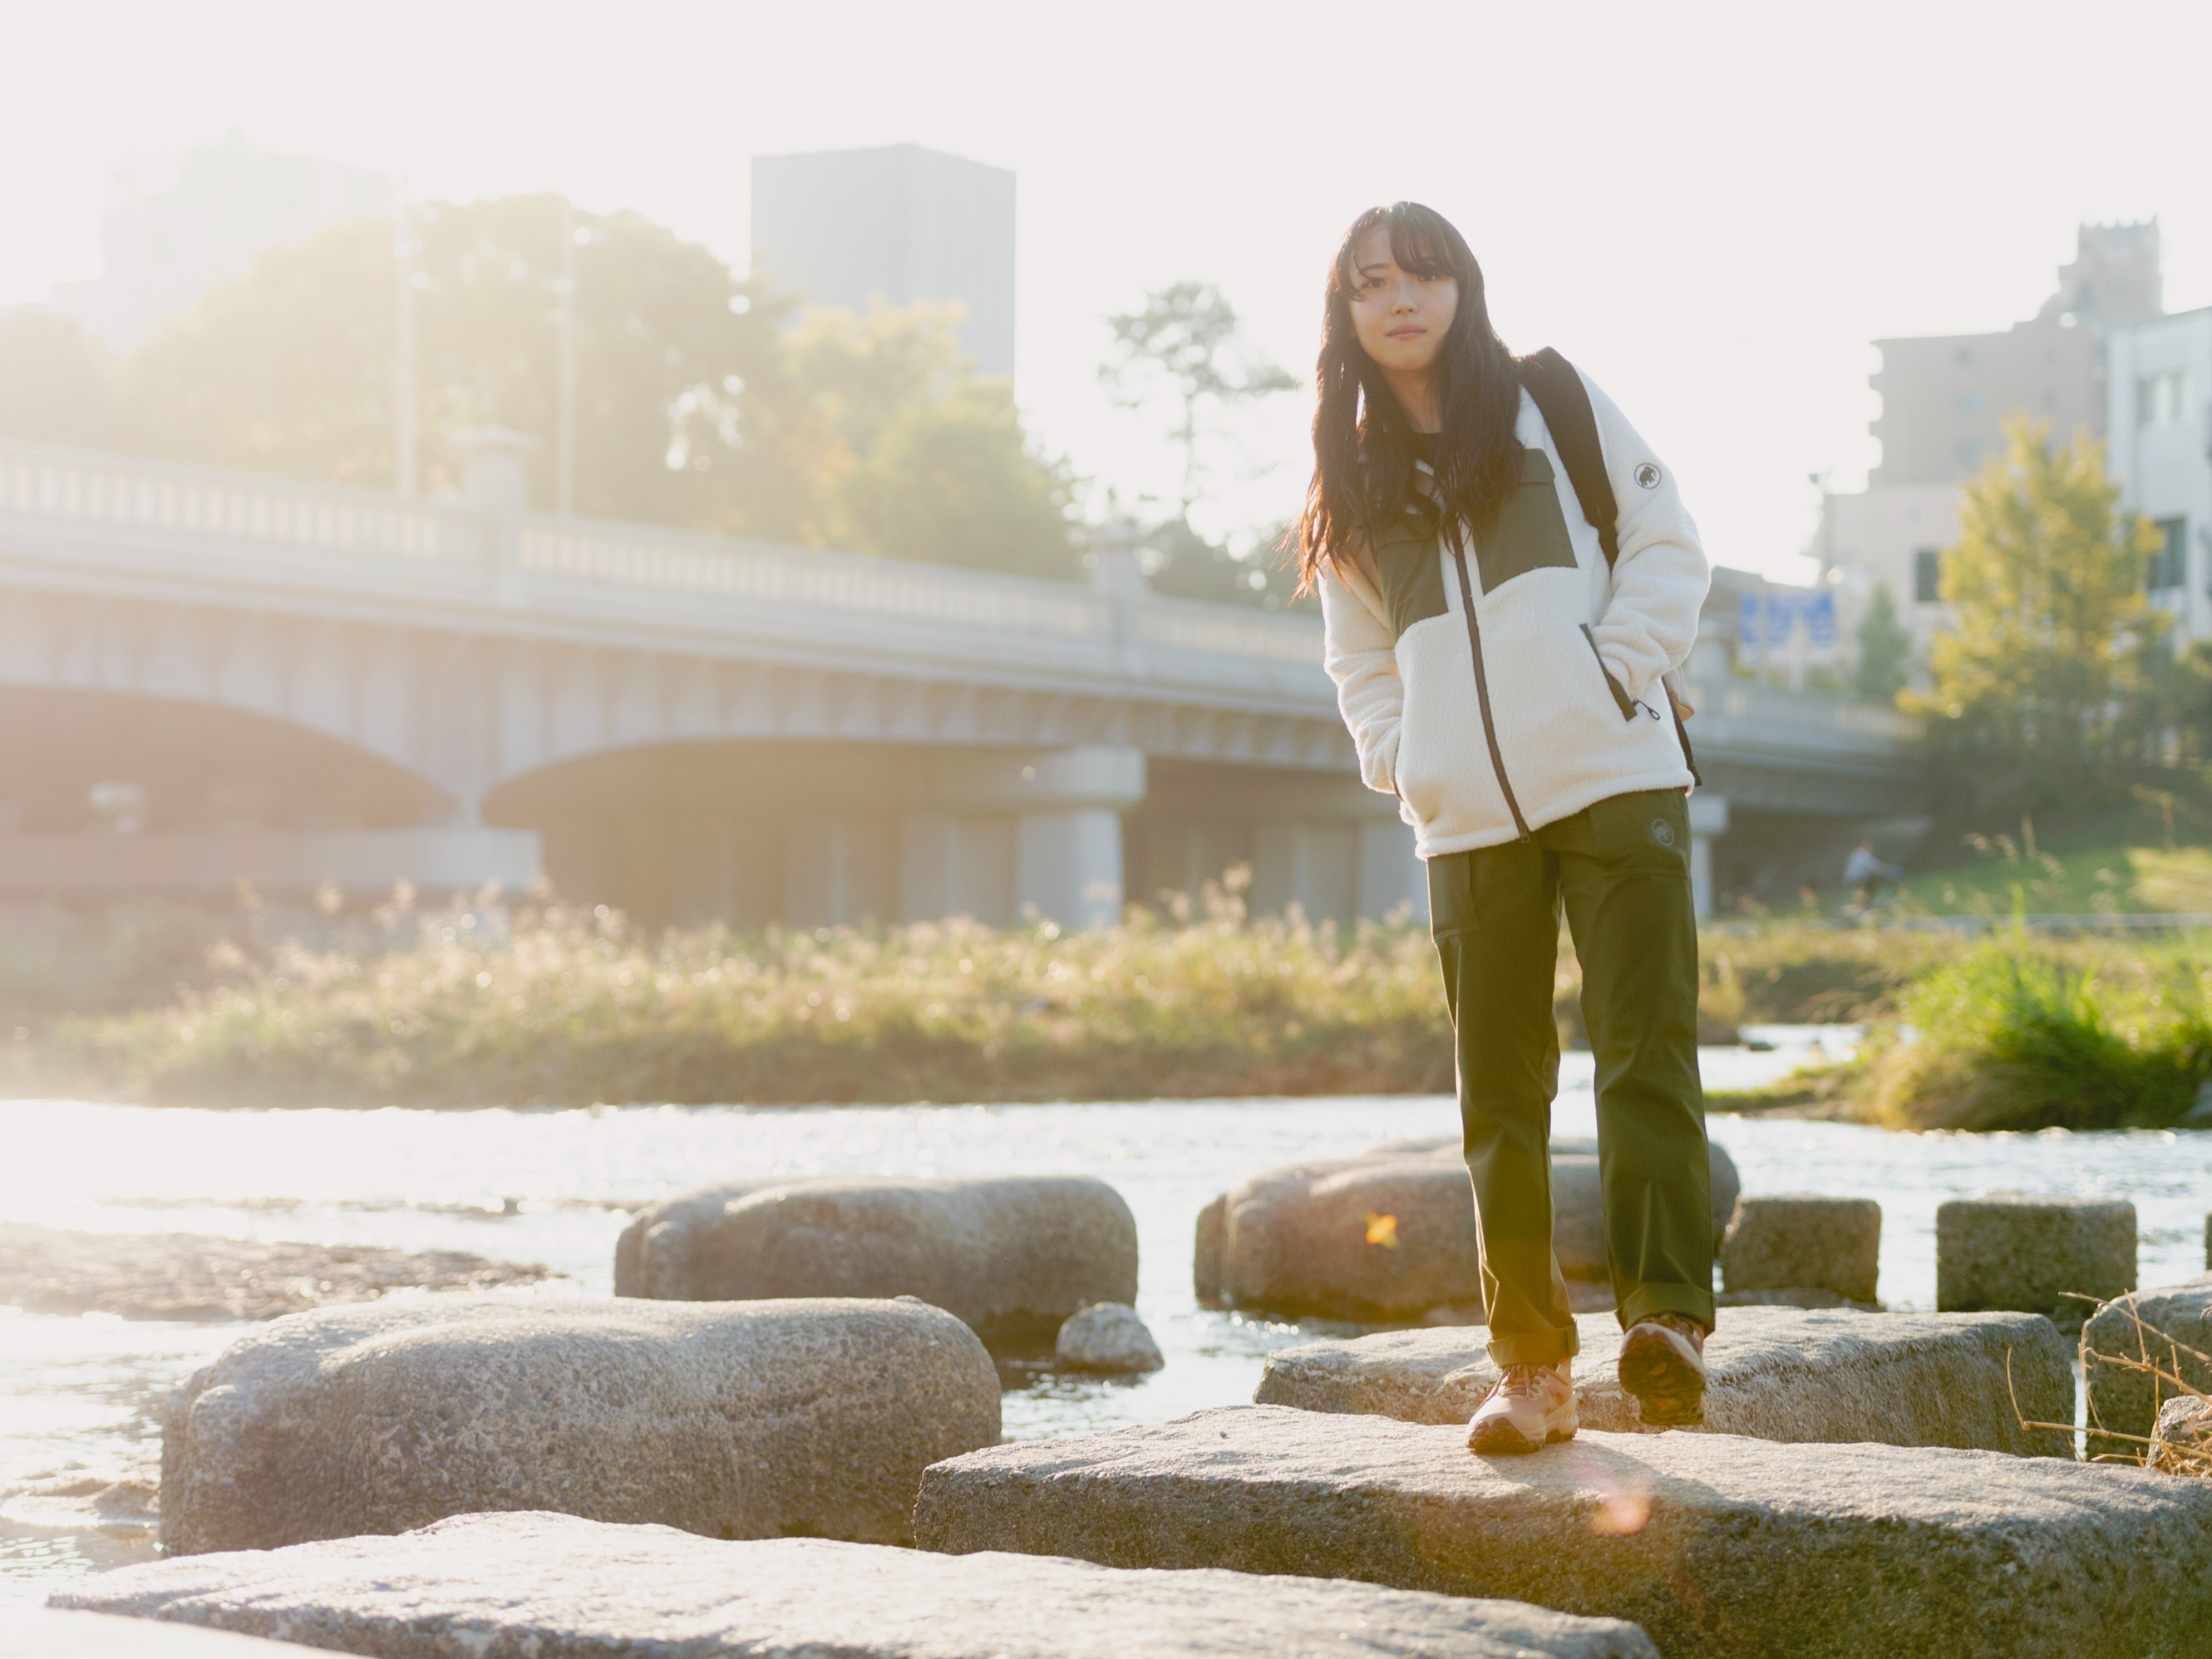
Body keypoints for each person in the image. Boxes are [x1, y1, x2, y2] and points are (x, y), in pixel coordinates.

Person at [1300, 202, 1715, 1455]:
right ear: (1349, 315)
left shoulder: (1553, 402)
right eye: (1371, 282)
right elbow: (1357, 664)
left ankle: (1668, 1326)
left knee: (1642, 1052)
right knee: (1500, 1098)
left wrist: (1614, 673)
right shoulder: (1354, 481)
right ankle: (1532, 1370)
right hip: (1467, 821)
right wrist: (1405, 762)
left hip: (1614, 779)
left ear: (1461, 288)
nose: (1399, 297)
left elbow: (1666, 544)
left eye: (1422, 273)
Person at [1843, 839, 1904, 912]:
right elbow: (1874, 867)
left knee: (1874, 882)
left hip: (1857, 878)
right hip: (1857, 879)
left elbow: (1874, 866)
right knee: (1889, 876)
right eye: (1869, 845)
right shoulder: (1861, 854)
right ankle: (1893, 897)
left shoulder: (1857, 853)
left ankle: (1869, 903)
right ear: (1864, 845)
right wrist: (1888, 870)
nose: (1871, 848)